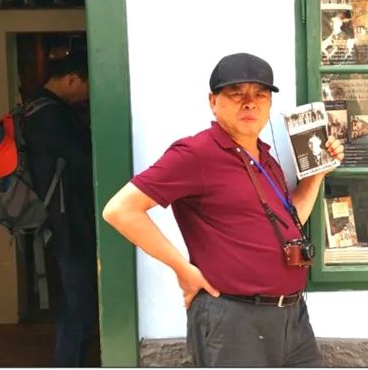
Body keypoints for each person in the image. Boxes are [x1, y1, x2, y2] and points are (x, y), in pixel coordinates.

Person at [102, 53, 344, 367]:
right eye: (236, 93)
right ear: (213, 102)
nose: (250, 103)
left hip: (293, 317)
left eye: (260, 94)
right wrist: (183, 270)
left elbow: (290, 220)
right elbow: (120, 210)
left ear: (269, 103)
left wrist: (316, 176)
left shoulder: (265, 158)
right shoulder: (196, 153)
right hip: (234, 319)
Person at [24, 46, 97, 367]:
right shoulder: (52, 116)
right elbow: (86, 161)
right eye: (86, 88)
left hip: (57, 218)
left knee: (74, 298)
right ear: (72, 80)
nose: (87, 97)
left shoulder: (34, 110)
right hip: (68, 221)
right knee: (79, 300)